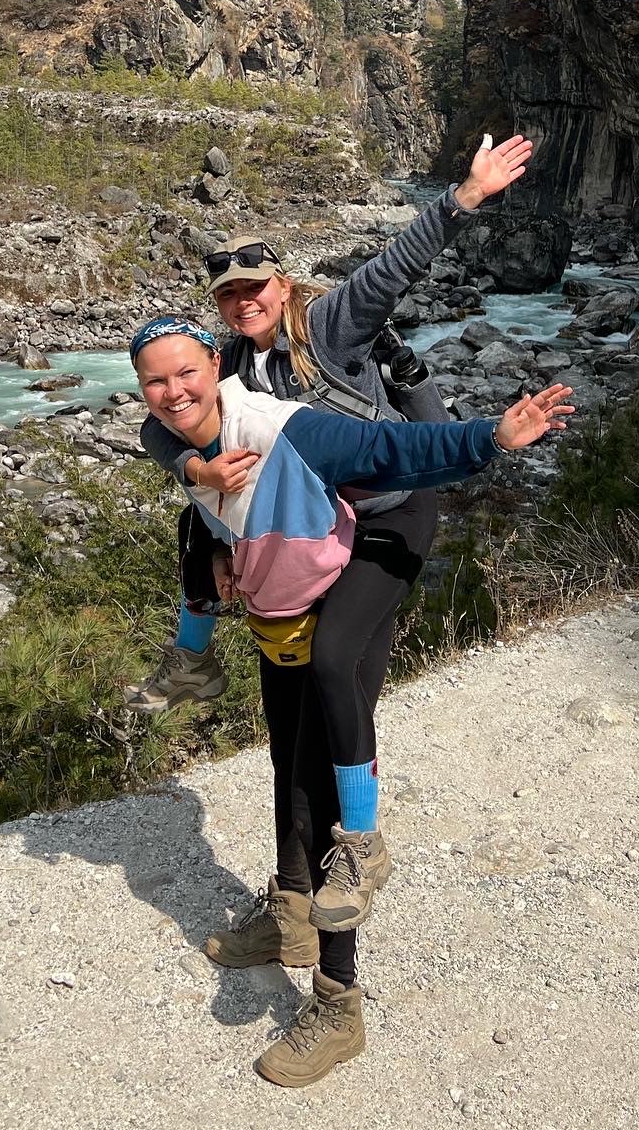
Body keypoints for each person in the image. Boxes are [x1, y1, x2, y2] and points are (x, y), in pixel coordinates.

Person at [128, 315, 574, 1087]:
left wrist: (490, 438)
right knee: (283, 764)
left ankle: (338, 1003)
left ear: (216, 366)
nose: (172, 393)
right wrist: (196, 484)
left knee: (321, 783)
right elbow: (155, 436)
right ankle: (289, 916)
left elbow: (392, 450)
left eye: (185, 374)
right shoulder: (188, 427)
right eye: (155, 381)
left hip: (345, 584)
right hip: (280, 603)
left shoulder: (292, 417)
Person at [126, 133, 534, 732]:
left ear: (282, 287)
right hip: (318, 519)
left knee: (337, 662)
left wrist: (465, 196)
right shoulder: (229, 364)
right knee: (196, 520)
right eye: (229, 294)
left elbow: (391, 269)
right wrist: (196, 471)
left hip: (386, 503)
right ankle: (194, 658)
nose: (244, 302)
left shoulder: (327, 327)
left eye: (255, 286)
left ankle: (352, 800)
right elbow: (156, 430)